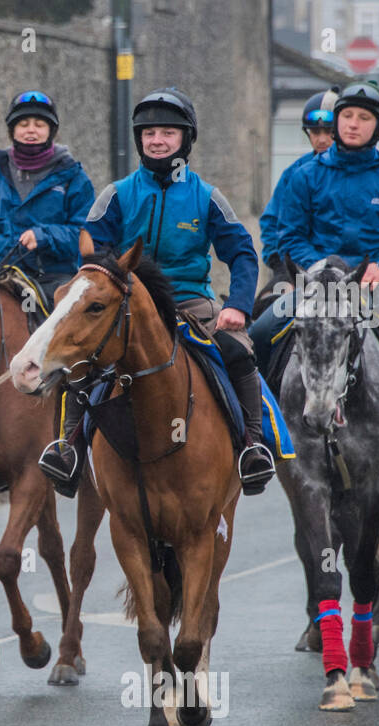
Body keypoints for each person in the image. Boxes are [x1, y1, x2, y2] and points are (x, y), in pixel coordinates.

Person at [50, 87, 274, 496]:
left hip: (191, 302)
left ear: (185, 140)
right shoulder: (115, 195)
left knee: (238, 350)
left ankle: (253, 446)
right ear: (140, 140)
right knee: (80, 360)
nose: (157, 140)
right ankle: (69, 448)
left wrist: (238, 306)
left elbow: (242, 254)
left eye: (168, 133)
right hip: (125, 304)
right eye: (149, 133)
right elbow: (90, 255)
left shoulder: (207, 196)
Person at [252, 82, 379, 458]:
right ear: (337, 120)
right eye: (347, 116)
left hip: (375, 289)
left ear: (377, 127)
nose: (353, 124)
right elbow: (289, 235)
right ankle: (258, 427)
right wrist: (320, 269)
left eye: (364, 118)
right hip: (315, 286)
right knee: (261, 332)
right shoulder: (304, 176)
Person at [0, 90, 95, 310]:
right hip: (0, 274)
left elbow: (86, 234)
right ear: (12, 130)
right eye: (23, 124)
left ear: (52, 131)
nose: (31, 130)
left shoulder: (74, 178)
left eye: (39, 124)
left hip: (54, 280)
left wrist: (44, 236)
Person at [259, 88, 338, 269]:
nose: (322, 139)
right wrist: (278, 264)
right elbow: (272, 222)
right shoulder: (294, 173)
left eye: (329, 132)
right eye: (315, 132)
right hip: (300, 268)